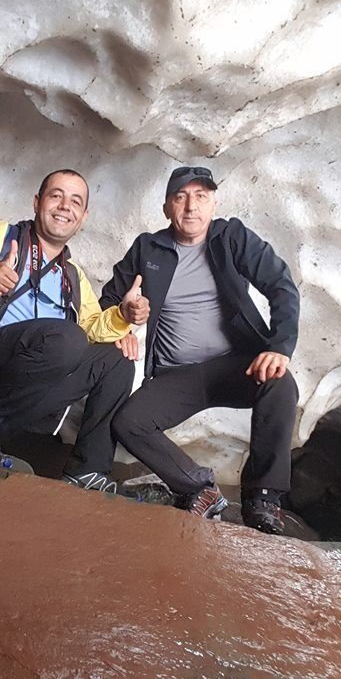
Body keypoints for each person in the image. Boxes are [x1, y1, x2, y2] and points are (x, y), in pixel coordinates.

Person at [101, 166, 300, 533]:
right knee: (129, 422)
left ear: (213, 204)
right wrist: (125, 316)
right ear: (166, 208)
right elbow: (110, 300)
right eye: (181, 197)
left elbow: (281, 285)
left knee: (281, 383)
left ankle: (263, 500)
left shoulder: (232, 238)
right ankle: (199, 488)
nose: (191, 207)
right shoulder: (149, 248)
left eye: (201, 197)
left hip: (234, 366)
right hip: (177, 374)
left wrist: (280, 346)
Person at [0, 169, 146, 491]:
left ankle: (88, 469)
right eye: (56, 195)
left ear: (83, 217)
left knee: (116, 360)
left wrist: (122, 316)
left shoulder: (72, 276)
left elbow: (93, 330)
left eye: (75, 201)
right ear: (37, 202)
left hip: (28, 394)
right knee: (67, 338)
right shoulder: (0, 238)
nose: (64, 206)